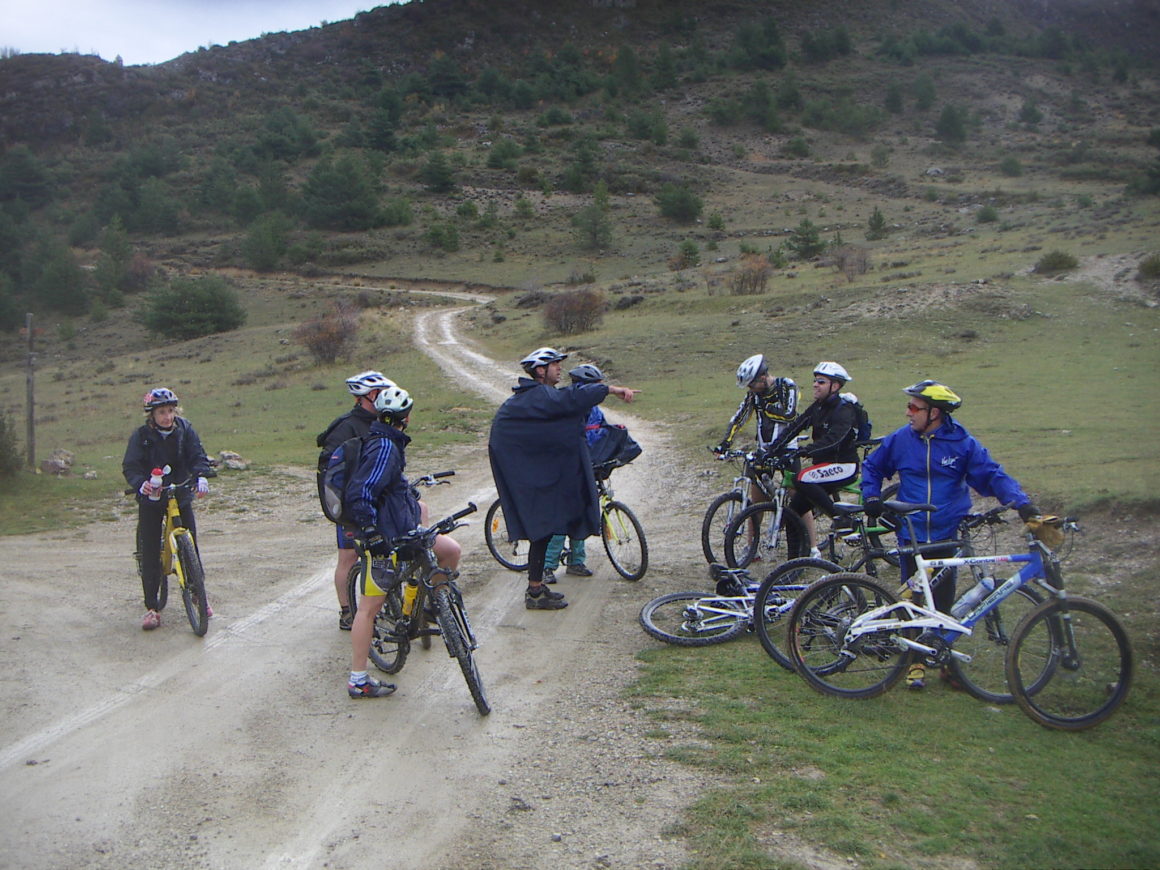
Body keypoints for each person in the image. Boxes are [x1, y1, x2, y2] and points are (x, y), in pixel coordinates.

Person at [860, 379, 1053, 689]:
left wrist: (1022, 504)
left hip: (948, 533)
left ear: (934, 413)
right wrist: (871, 496)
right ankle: (915, 662)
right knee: (914, 603)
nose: (907, 413)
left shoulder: (962, 443)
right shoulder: (901, 440)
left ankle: (943, 660)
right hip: (912, 534)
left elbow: (991, 474)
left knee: (944, 603)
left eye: (913, 407)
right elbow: (871, 467)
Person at [488, 347, 638, 610]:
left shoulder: (538, 397)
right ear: (540, 370)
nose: (560, 369)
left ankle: (537, 589)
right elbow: (572, 398)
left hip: (537, 471)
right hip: (527, 476)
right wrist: (611, 390)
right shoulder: (537, 395)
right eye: (555, 365)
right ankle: (535, 593)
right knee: (541, 530)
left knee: (544, 532)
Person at [345, 386, 463, 698]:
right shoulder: (384, 447)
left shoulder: (389, 442)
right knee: (369, 609)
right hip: (384, 539)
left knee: (450, 551)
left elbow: (388, 488)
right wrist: (370, 533)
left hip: (405, 530)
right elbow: (361, 493)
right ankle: (358, 679)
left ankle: (433, 606)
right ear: (406, 417)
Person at [122, 388, 212, 631]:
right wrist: (140, 483)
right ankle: (152, 607)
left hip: (179, 492)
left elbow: (198, 455)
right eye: (161, 412)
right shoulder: (141, 436)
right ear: (152, 415)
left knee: (189, 543)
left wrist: (201, 476)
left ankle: (197, 594)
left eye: (170, 411)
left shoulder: (185, 429)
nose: (167, 416)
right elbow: (131, 465)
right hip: (152, 497)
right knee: (150, 549)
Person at [317, 370, 394, 631]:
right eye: (381, 394)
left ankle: (379, 605)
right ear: (370, 396)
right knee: (348, 556)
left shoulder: (383, 421)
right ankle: (347, 611)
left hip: (378, 499)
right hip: (351, 503)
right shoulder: (345, 427)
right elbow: (332, 470)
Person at [541, 363, 611, 582]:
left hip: (587, 467)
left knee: (581, 514)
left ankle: (576, 561)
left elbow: (602, 433)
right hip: (563, 469)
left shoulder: (595, 410)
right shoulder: (567, 408)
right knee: (562, 518)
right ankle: (547, 567)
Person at [775, 362, 861, 533]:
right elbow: (795, 426)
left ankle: (841, 519)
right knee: (793, 514)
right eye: (815, 381)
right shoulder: (818, 407)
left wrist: (807, 450)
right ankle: (797, 559)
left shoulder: (845, 409)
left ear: (835, 386)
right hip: (824, 468)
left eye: (821, 382)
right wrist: (773, 449)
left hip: (844, 466)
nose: (815, 384)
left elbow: (834, 439)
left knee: (802, 477)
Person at [714, 353, 798, 514]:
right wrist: (725, 443)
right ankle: (753, 540)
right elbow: (739, 418)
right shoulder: (754, 395)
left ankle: (810, 540)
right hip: (764, 450)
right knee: (755, 506)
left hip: (788, 449)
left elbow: (790, 414)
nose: (750, 390)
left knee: (798, 503)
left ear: (763, 377)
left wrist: (766, 407)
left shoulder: (787, 385)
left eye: (751, 385)